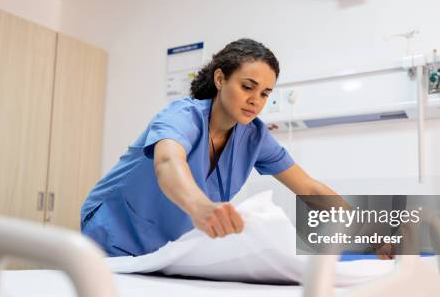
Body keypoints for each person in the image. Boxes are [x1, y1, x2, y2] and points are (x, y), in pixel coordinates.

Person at [81, 38, 350, 257]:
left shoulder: (254, 135)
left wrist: (372, 233)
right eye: (248, 87)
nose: (255, 100)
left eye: (265, 93)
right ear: (220, 79)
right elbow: (167, 162)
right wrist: (201, 207)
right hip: (113, 231)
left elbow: (310, 188)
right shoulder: (182, 115)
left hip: (165, 247)